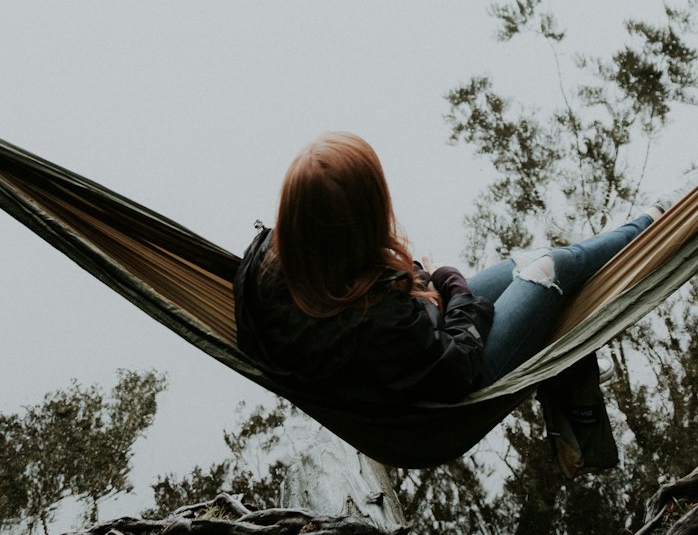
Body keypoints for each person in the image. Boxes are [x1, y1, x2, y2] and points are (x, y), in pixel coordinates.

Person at [234, 131, 666, 416]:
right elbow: (457, 366)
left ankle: (571, 394)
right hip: (448, 403)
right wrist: (453, 286)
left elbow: (376, 299)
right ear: (364, 221)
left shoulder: (264, 268)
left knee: (531, 262)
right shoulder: (382, 324)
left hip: (400, 362)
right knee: (553, 269)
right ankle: (653, 223)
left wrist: (421, 281)